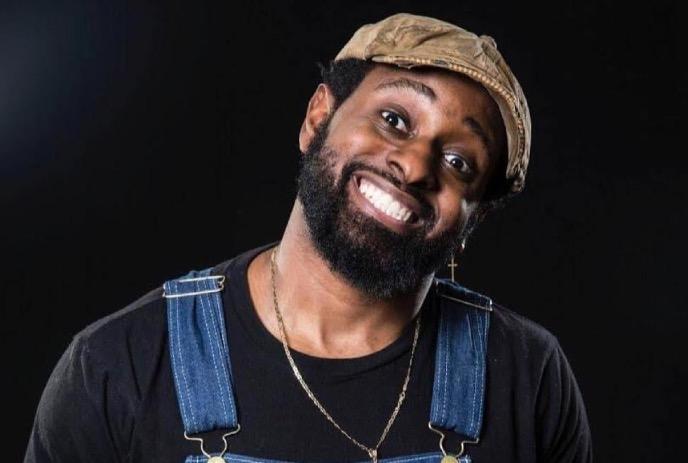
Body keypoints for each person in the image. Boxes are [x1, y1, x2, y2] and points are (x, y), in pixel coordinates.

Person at [25, 13, 592, 463]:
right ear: (318, 118)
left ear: (472, 220)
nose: (416, 166)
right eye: (395, 119)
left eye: (457, 161)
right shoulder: (119, 366)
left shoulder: (526, 376)